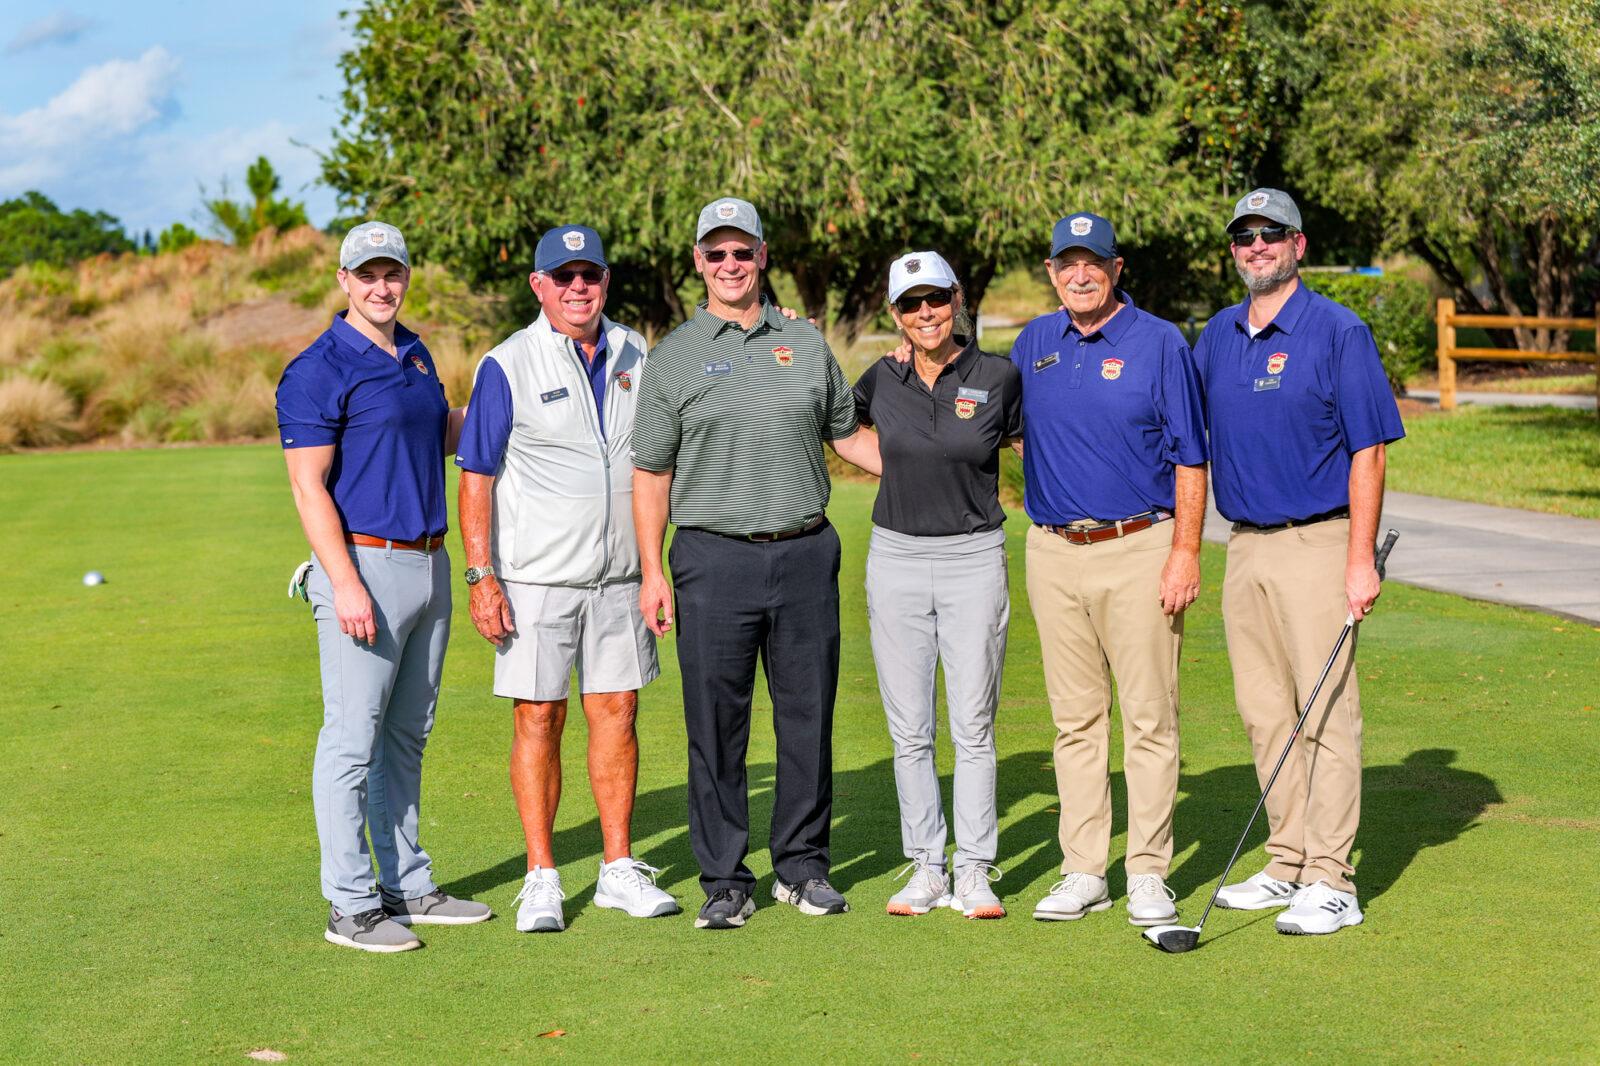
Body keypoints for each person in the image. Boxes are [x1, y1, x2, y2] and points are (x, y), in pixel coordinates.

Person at [632, 197, 881, 930]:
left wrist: (942, 463)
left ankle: (802, 867)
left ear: (763, 256)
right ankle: (725, 878)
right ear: (699, 262)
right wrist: (652, 570)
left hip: (805, 553)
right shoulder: (673, 355)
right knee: (716, 726)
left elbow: (849, 436)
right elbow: (651, 473)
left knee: (808, 716)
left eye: (743, 251)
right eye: (716, 253)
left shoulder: (804, 342)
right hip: (713, 561)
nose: (731, 265)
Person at [455, 225, 678, 933]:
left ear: (605, 281)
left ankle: (617, 868)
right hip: (536, 579)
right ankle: (542, 876)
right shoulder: (506, 363)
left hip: (620, 576)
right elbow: (476, 475)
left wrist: (652, 567)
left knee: (618, 713)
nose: (578, 288)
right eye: (563, 276)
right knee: (539, 717)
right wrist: (481, 575)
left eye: (589, 275)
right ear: (539, 286)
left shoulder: (637, 351)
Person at [1194, 188, 1404, 935]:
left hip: (1318, 541)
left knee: (1326, 716)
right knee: (1265, 714)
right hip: (1243, 545)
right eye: (1245, 236)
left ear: (1298, 245)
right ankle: (1286, 861)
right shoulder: (1217, 335)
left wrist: (1359, 559)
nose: (1257, 246)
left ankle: (1332, 879)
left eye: (1271, 234)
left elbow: (1369, 450)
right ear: (1234, 250)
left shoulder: (1338, 331)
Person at [276, 221, 490, 953]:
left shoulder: (415, 353)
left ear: (405, 276)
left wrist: (505, 398)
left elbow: (441, 435)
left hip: (430, 562)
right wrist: (343, 582)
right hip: (363, 567)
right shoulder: (318, 368)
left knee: (407, 735)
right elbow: (307, 487)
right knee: (351, 741)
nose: (380, 287)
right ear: (343, 281)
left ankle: (406, 885)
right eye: (365, 275)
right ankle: (350, 905)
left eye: (391, 273)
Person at [1009, 213, 1209, 927]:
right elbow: (1005, 424)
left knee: (1149, 719)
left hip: (1140, 546)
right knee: (1075, 722)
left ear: (1116, 268)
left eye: (1092, 263)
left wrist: (1185, 550)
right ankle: (1084, 869)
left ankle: (1149, 871)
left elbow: (1191, 456)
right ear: (1051, 271)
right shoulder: (1034, 342)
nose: (1080, 275)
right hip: (1053, 552)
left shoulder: (1159, 342)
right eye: (1067, 263)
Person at [854, 251, 1022, 919]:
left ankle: (974, 868)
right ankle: (927, 866)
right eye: (910, 304)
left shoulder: (998, 376)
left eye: (935, 299)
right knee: (910, 730)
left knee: (973, 726)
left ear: (956, 299)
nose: (925, 313)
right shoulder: (881, 376)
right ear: (895, 314)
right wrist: (891, 467)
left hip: (973, 558)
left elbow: (1029, 445)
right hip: (894, 557)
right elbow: (838, 423)